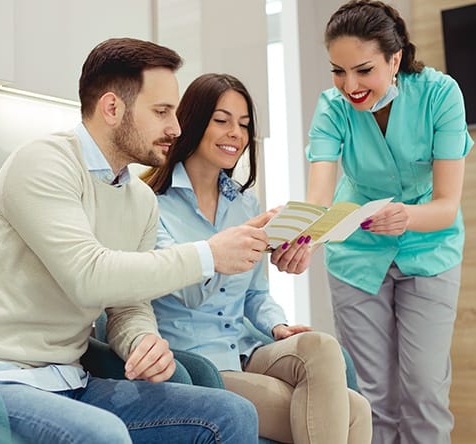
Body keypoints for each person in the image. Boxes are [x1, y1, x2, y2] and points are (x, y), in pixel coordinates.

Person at [0, 37, 269, 444]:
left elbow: (127, 304)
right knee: (104, 434)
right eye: (161, 112)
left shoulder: (138, 198)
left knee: (230, 413)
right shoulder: (43, 164)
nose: (175, 127)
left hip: (75, 379)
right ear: (112, 108)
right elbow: (90, 275)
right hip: (4, 381)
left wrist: (142, 339)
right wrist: (209, 255)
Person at [141, 72, 373, 444]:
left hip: (248, 349)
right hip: (200, 364)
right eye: (222, 120)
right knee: (353, 413)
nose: (236, 132)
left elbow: (255, 295)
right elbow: (188, 292)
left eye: (244, 124)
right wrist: (235, 242)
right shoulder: (151, 204)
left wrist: (278, 327)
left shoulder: (244, 202)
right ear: (193, 122)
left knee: (323, 348)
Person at [304, 1, 474, 443]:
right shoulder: (332, 107)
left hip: (428, 249)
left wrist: (405, 216)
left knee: (424, 392)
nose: (350, 86)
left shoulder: (440, 95)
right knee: (372, 398)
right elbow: (319, 196)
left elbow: (446, 206)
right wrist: (302, 235)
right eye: (338, 72)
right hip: (357, 256)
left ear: (394, 58)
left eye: (363, 70)